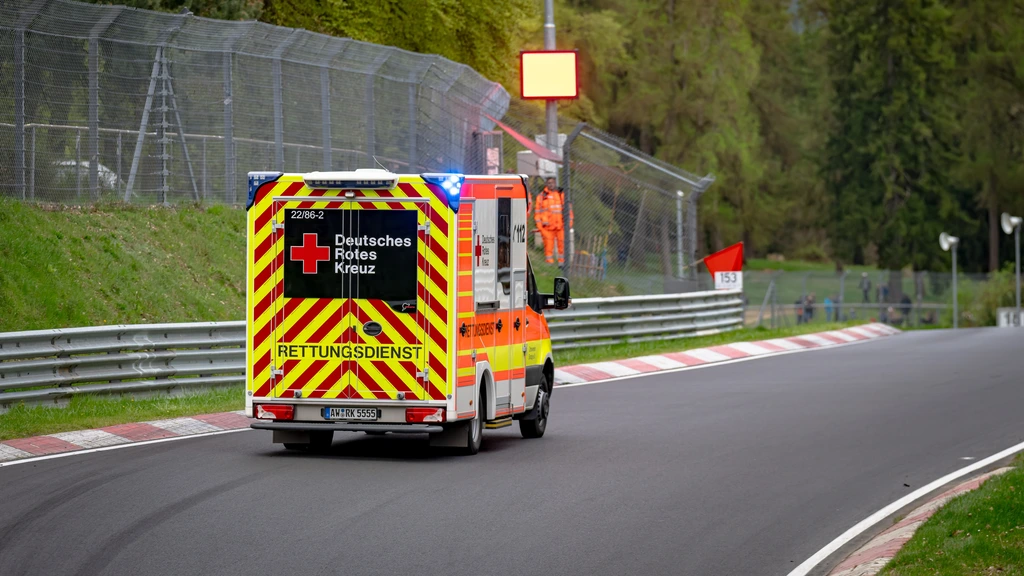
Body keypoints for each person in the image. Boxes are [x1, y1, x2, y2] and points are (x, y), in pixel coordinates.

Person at [533, 177, 573, 265]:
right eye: (549, 183)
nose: (551, 185)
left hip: (560, 226)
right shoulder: (541, 196)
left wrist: (569, 224)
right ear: (546, 184)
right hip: (547, 227)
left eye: (553, 183)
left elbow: (568, 210)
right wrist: (540, 227)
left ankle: (562, 264)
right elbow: (537, 213)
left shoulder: (561, 195)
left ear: (555, 183)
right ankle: (549, 264)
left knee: (562, 245)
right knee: (548, 247)